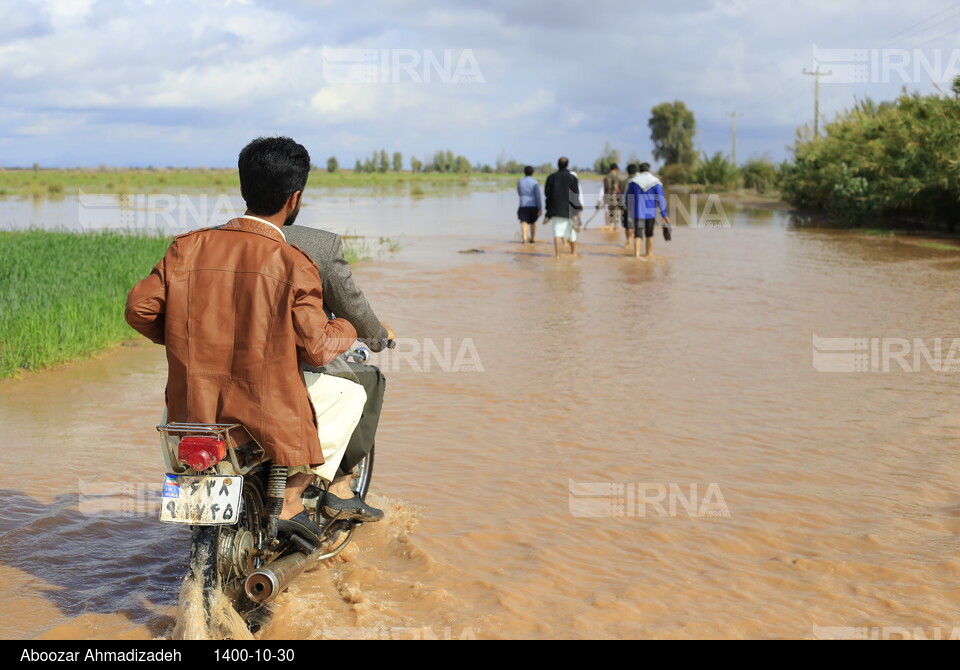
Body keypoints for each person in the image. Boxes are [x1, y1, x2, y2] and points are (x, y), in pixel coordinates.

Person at [125, 136, 360, 543]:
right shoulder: (293, 262)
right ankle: (291, 499)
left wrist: (188, 338)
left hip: (192, 407)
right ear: (295, 198)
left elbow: (139, 309)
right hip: (268, 410)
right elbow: (318, 349)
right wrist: (348, 328)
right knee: (351, 396)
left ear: (243, 188)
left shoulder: (187, 247)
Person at [284, 224, 395, 522]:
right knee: (367, 381)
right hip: (291, 368)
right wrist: (375, 335)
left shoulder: (209, 240)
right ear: (294, 197)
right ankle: (340, 487)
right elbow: (350, 309)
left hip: (213, 376)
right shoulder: (317, 245)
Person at [625, 162, 670, 259]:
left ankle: (636, 256)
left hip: (638, 213)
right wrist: (664, 214)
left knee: (638, 234)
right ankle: (648, 254)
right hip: (650, 213)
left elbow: (628, 197)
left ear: (640, 170)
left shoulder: (634, 182)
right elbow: (660, 198)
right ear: (649, 170)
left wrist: (629, 208)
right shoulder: (655, 182)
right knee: (649, 234)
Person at [543, 156, 583, 258]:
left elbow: (547, 195)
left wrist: (548, 211)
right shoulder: (573, 178)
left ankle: (557, 255)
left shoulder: (551, 178)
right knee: (572, 234)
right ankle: (573, 253)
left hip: (556, 210)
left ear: (558, 165)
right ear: (567, 165)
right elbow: (575, 195)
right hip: (570, 211)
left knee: (557, 233)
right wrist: (578, 211)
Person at [516, 166, 542, 244]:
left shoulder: (520, 182)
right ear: (532, 173)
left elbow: (519, 193)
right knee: (533, 222)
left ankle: (524, 239)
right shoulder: (535, 182)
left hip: (523, 204)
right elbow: (538, 196)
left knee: (524, 221)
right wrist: (540, 208)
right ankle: (532, 239)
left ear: (524, 172)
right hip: (533, 205)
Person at [602, 163, 626, 235]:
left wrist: (605, 200)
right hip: (616, 198)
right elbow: (621, 189)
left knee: (610, 214)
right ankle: (615, 232)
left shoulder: (606, 177)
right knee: (617, 216)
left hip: (609, 198)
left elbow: (605, 190)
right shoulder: (618, 177)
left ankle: (609, 232)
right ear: (616, 169)